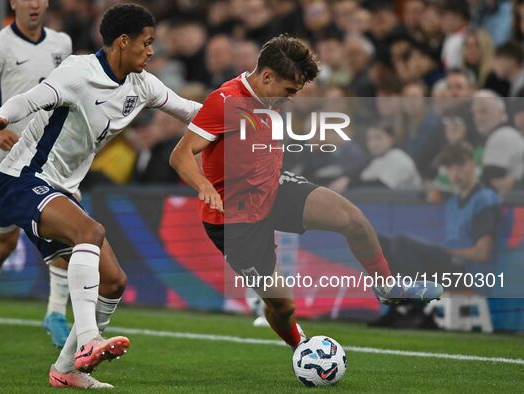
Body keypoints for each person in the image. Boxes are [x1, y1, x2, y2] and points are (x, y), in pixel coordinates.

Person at [0, 3, 201, 388]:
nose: (151, 51)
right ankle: (89, 341)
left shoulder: (141, 83)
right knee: (89, 233)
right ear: (123, 42)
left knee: (114, 282)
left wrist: (247, 113)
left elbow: (191, 110)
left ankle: (65, 371)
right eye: (146, 43)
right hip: (21, 177)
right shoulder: (79, 72)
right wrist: (2, 118)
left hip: (61, 188)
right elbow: (30, 98)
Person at [169, 35, 442, 352]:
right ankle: (301, 346)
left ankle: (385, 285)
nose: (291, 98)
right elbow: (180, 155)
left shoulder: (270, 97)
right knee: (282, 306)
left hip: (273, 188)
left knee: (352, 219)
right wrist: (203, 186)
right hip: (234, 218)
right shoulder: (226, 101)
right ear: (268, 76)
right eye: (289, 91)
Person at [0, 0, 73, 348]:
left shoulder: (62, 44)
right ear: (14, 3)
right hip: (6, 166)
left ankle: (55, 314)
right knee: (2, 244)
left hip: (49, 162)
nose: (34, 4)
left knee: (66, 239)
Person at [375, 142, 501, 328]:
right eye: (450, 167)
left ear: (473, 164)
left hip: (470, 273)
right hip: (450, 266)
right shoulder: (452, 203)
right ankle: (396, 307)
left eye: (460, 165)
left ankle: (418, 309)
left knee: (403, 242)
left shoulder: (485, 199)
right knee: (380, 243)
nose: (455, 173)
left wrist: (445, 250)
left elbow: (482, 253)